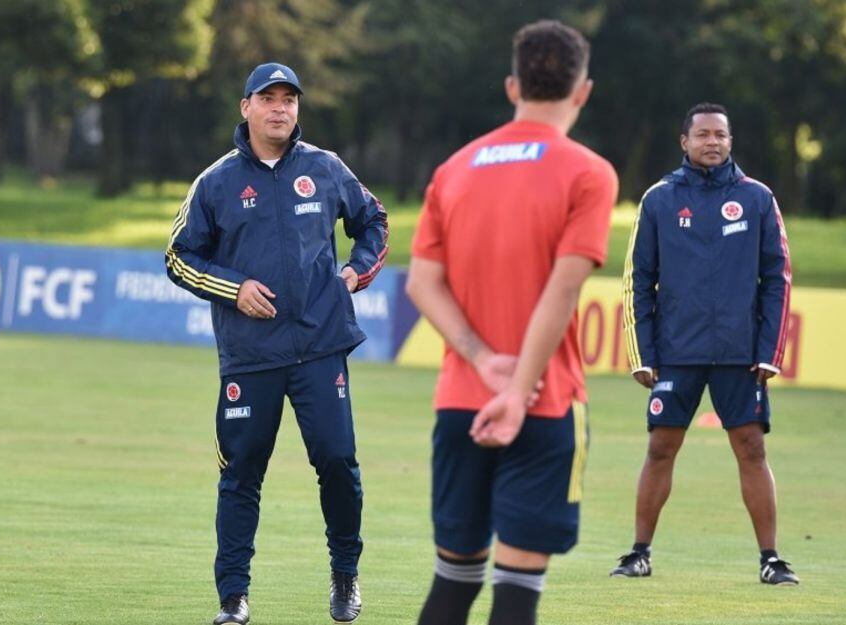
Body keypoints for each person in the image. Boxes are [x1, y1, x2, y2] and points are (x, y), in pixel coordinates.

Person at [406, 20, 617, 625]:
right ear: (582, 91)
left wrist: (480, 360)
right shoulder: (588, 172)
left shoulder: (455, 168)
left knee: (452, 583)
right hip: (544, 404)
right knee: (517, 592)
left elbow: (423, 283)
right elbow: (563, 287)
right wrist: (520, 390)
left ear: (511, 86)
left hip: (462, 403)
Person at [165, 61, 388, 625]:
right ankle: (233, 598)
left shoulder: (326, 168)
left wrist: (355, 272)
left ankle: (345, 575)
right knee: (241, 474)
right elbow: (178, 257)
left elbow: (374, 222)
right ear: (246, 107)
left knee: (338, 462)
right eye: (268, 98)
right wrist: (233, 288)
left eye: (289, 98)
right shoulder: (215, 181)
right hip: (251, 356)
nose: (281, 108)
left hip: (320, 347)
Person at [611, 102, 798, 585]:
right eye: (703, 135)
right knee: (660, 449)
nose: (712, 142)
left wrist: (769, 351)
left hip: (740, 353)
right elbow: (638, 280)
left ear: (731, 141)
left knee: (752, 448)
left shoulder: (757, 198)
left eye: (720, 135)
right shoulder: (659, 200)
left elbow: (778, 278)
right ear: (685, 142)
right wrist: (642, 354)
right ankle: (639, 553)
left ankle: (771, 559)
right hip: (677, 351)